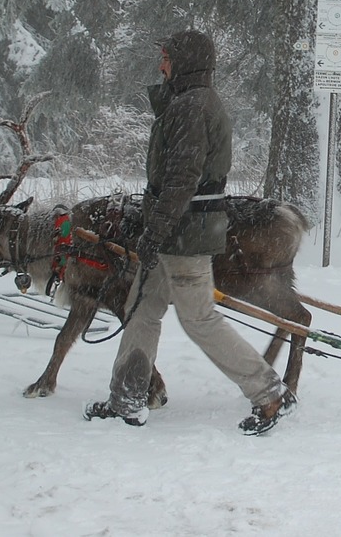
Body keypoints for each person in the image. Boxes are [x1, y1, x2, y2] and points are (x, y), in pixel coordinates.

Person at [84, 29, 294, 434]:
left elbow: (181, 179)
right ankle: (127, 398)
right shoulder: (186, 102)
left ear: (185, 62)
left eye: (166, 57)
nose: (160, 64)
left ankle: (269, 393)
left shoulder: (192, 107)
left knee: (198, 318)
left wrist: (155, 230)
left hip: (185, 232)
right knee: (141, 309)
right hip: (177, 229)